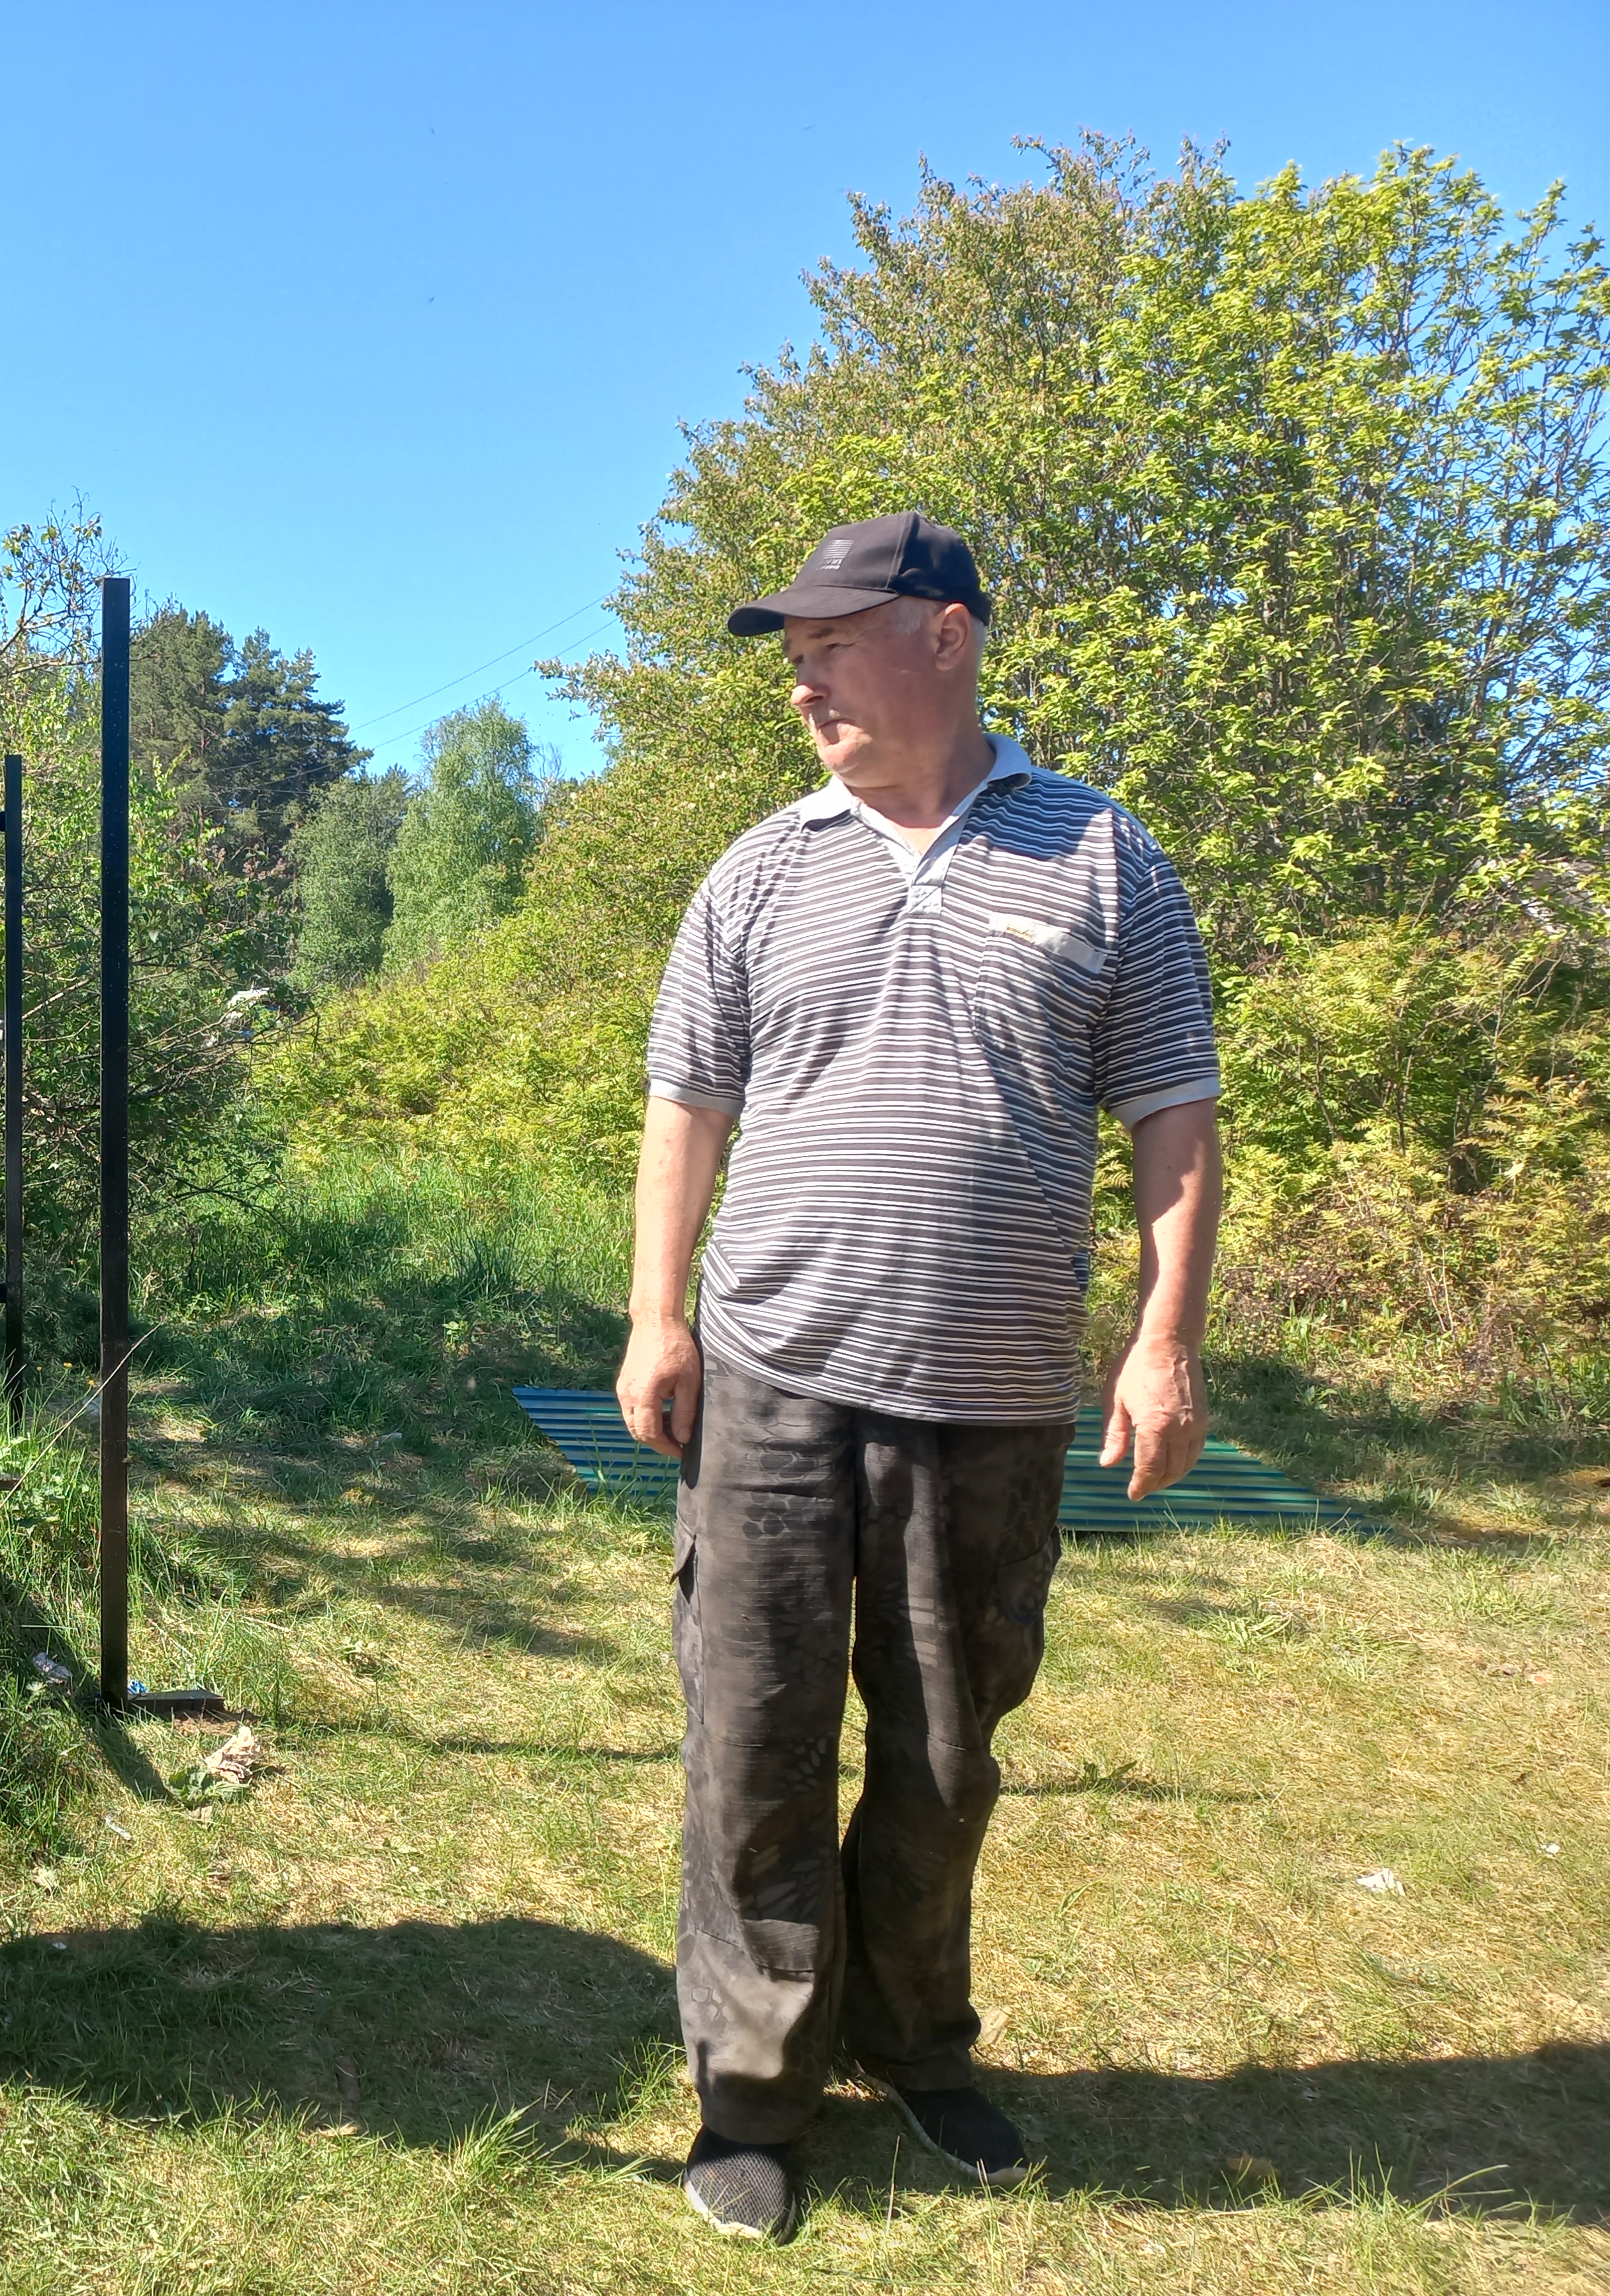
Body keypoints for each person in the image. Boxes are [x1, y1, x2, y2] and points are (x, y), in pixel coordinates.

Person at [614, 514, 1224, 2242]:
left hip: (994, 1395)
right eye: (789, 646)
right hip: (776, 1383)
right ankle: (752, 2088)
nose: (801, 674)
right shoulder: (758, 868)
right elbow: (688, 1104)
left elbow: (1174, 1114)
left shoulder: (1106, 860)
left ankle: (914, 2035)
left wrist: (1166, 1337)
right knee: (758, 1739)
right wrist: (657, 1315)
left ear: (946, 636)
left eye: (833, 637)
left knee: (949, 1753)